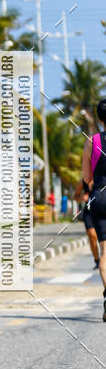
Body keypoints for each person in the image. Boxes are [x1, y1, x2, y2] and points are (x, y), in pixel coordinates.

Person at [82, 99, 106, 321]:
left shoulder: (92, 141)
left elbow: (86, 178)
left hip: (99, 198)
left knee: (104, 254)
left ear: (99, 119)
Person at [73, 178, 99, 269]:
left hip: (101, 211)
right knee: (92, 236)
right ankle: (97, 260)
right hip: (88, 212)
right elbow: (75, 196)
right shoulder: (82, 182)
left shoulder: (101, 178)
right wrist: (81, 198)